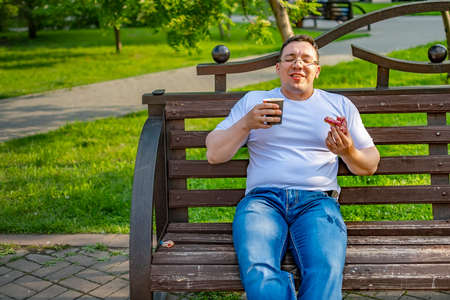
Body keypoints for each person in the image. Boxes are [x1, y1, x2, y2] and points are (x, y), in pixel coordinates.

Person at [205, 34, 380, 300]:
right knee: (258, 266)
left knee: (325, 268)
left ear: (317, 70)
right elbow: (214, 154)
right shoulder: (255, 102)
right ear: (278, 68)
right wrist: (246, 124)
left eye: (306, 60)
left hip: (317, 202)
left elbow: (369, 164)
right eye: (290, 58)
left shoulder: (339, 105)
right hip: (262, 202)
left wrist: (348, 151)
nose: (298, 63)